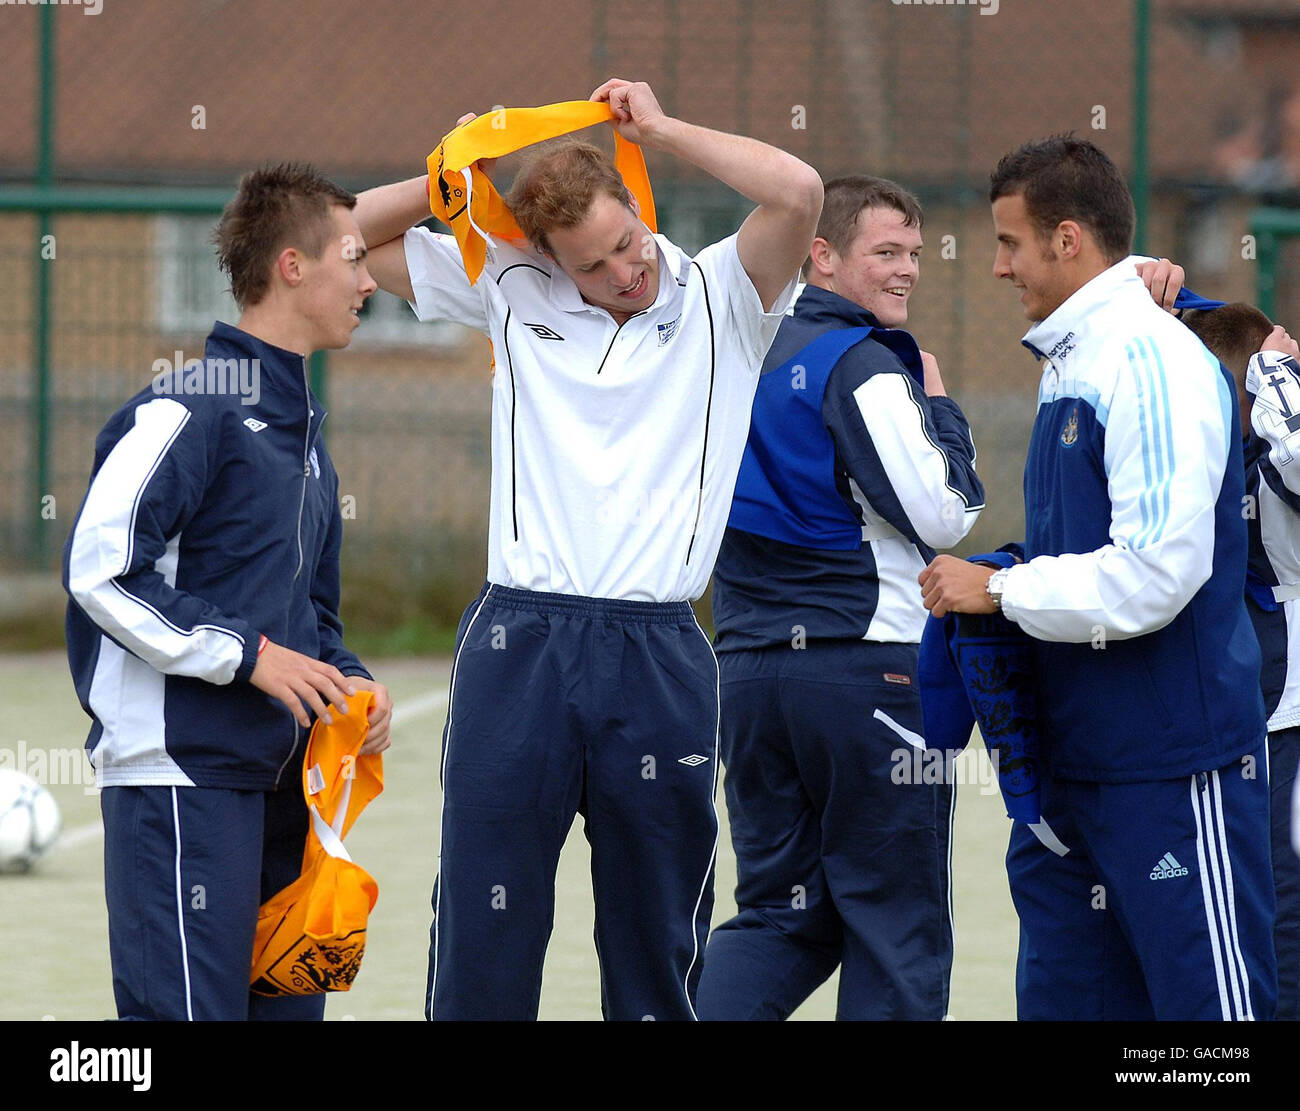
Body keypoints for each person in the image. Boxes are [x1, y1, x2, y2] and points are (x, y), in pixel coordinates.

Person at [355, 78, 822, 1021]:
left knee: (655, 928)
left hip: (659, 648)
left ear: (639, 212)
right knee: (487, 916)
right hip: (517, 644)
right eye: (595, 265)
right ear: (549, 262)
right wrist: (451, 173)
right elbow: (342, 237)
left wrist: (662, 127)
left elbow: (800, 192)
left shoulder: (724, 291)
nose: (625, 271)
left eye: (628, 241)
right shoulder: (506, 282)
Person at [919, 135, 1277, 1020]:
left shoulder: (1148, 362)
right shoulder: (1072, 360)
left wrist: (997, 590)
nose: (997, 266)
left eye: (1009, 243)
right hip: (1075, 776)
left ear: (1068, 239)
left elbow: (1158, 574)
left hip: (1171, 769)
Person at [64, 163, 393, 1021]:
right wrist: (248, 656)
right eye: (353, 260)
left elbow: (312, 619)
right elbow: (100, 568)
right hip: (182, 778)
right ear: (292, 266)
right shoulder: (187, 406)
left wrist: (346, 679)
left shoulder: (308, 437)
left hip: (290, 786)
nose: (368, 282)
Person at [695, 176, 983, 1021]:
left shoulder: (738, 350)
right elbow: (945, 511)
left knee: (783, 916)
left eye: (916, 255)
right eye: (886, 252)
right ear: (820, 254)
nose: (908, 272)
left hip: (747, 672)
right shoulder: (860, 361)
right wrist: (941, 411)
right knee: (899, 927)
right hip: (870, 676)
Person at [1181, 304, 1300, 1021]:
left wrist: (1276, 376)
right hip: (1236, 723)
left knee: (1283, 911)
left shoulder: (1281, 464)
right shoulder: (1207, 467)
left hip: (1290, 718)